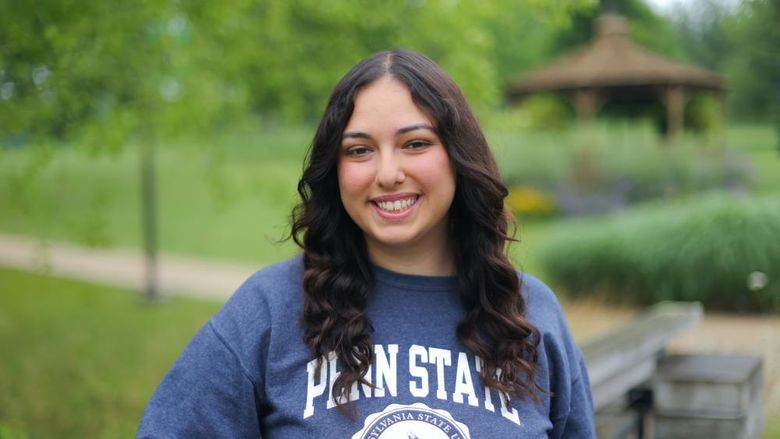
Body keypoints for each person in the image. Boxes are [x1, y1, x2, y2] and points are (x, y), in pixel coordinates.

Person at [137, 49, 595, 438]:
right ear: (334, 171)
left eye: (415, 143)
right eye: (359, 150)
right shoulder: (269, 312)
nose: (388, 173)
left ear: (459, 157)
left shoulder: (530, 315)